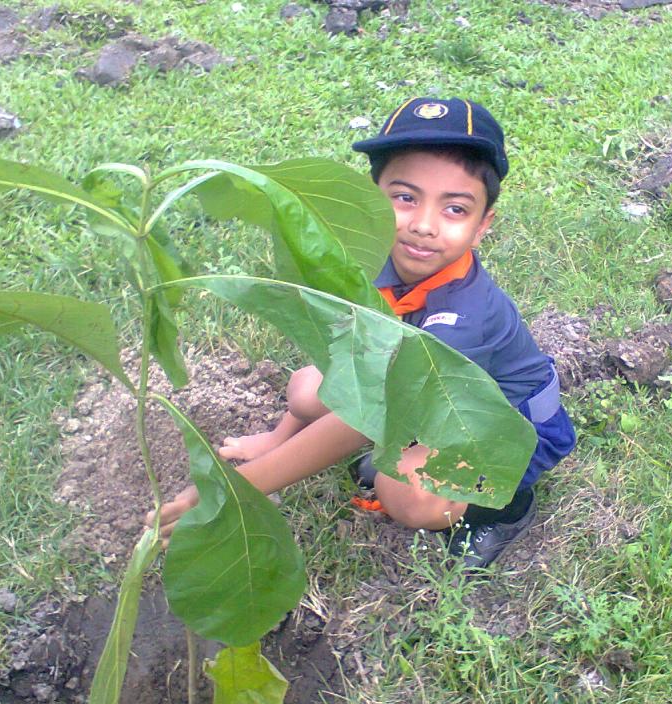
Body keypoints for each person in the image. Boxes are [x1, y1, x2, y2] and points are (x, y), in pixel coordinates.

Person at [149, 97, 576, 569]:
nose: (423, 225)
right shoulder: (375, 266)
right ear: (371, 199)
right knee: (309, 387)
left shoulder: (465, 315)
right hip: (418, 400)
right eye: (405, 198)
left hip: (503, 427)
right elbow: (348, 362)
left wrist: (239, 488)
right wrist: (278, 437)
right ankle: (401, 445)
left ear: (482, 226)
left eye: (455, 209)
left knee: (407, 494)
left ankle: (503, 507)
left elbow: (361, 416)